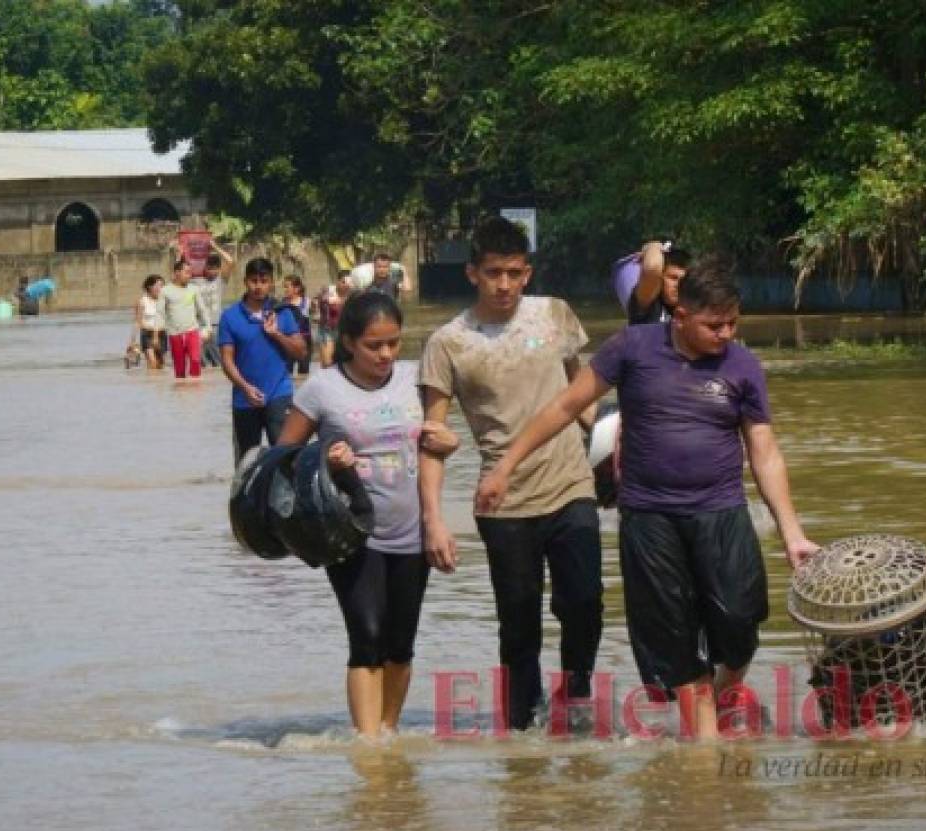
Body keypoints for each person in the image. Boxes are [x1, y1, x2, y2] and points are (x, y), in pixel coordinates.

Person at [476, 259, 819, 739]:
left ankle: (724, 691)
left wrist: (792, 533)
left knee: (741, 622)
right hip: (649, 517)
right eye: (713, 325)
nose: (725, 334)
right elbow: (565, 406)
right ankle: (703, 759)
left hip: (720, 511)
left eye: (732, 323)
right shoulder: (632, 348)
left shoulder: (743, 366)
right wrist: (506, 466)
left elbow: (764, 452)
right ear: (680, 316)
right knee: (673, 637)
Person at [418, 215, 604, 731]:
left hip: (571, 483)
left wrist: (614, 442)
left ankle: (576, 693)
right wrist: (434, 519)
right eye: (494, 272)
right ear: (472, 272)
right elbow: (432, 438)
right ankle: (522, 732)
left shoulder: (555, 315)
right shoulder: (449, 343)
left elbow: (579, 396)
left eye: (515, 273)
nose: (505, 285)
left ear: (528, 273)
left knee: (584, 601)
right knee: (518, 624)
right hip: (503, 501)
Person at [277, 290, 459, 737]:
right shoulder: (322, 388)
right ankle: (368, 747)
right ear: (348, 342)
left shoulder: (416, 380)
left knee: (400, 643)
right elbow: (281, 459)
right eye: (373, 345)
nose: (386, 354)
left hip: (412, 530)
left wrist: (451, 444)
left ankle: (388, 733)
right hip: (351, 533)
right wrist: (325, 459)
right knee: (367, 636)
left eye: (393, 343)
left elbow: (437, 441)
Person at [218, 257, 306, 462]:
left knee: (286, 457)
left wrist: (276, 334)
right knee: (246, 463)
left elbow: (301, 352)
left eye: (264, 280)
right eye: (253, 280)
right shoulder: (230, 317)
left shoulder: (283, 313)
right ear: (245, 282)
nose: (258, 286)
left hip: (279, 394)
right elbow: (227, 361)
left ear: (272, 282)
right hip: (244, 399)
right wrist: (245, 387)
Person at [160, 259, 211, 379]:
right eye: (186, 272)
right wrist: (157, 335)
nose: (190, 275)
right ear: (177, 272)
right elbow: (160, 313)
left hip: (192, 330)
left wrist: (208, 327)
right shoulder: (165, 291)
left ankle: (195, 390)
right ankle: (181, 393)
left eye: (190, 272)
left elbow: (202, 310)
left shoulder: (194, 289)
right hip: (175, 333)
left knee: (195, 360)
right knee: (180, 369)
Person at [625, 241, 691, 325]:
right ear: (660, 278)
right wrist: (654, 246)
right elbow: (653, 268)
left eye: (683, 280)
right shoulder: (648, 304)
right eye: (673, 278)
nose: (678, 285)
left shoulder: (691, 309)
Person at [194, 240, 234, 368]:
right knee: (199, 362)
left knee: (219, 362)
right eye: (210, 268)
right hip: (199, 326)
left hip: (216, 325)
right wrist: (181, 252)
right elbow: (178, 272)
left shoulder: (220, 281)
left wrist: (215, 246)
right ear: (204, 268)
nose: (213, 271)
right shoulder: (195, 282)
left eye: (216, 268)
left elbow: (230, 261)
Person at [280, 274, 313, 376]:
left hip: (304, 341)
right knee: (286, 373)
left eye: (287, 287)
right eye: (284, 287)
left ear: (296, 288)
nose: (285, 289)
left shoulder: (307, 302)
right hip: (288, 342)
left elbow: (317, 317)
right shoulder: (282, 303)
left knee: (303, 373)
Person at [135, 274, 168, 370]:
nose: (161, 288)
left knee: (160, 364)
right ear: (149, 287)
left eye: (162, 286)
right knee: (152, 363)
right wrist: (132, 341)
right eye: (158, 285)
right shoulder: (142, 301)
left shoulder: (164, 301)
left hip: (162, 334)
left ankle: (156, 384)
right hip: (147, 334)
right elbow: (138, 322)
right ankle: (151, 380)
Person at [317, 271, 349, 367]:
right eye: (343, 282)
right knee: (328, 363)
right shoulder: (329, 291)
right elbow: (322, 300)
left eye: (348, 282)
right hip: (328, 331)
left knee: (344, 363)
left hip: (345, 332)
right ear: (337, 281)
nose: (346, 285)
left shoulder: (353, 293)